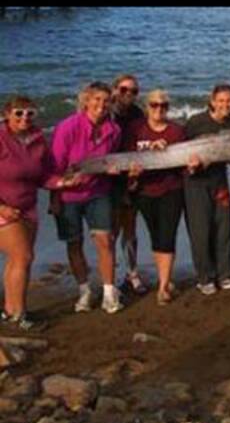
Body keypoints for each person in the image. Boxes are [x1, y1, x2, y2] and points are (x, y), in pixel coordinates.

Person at [0, 97, 80, 330]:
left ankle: (10, 310)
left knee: (17, 260)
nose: (24, 117)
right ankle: (19, 315)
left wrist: (64, 183)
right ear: (7, 115)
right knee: (23, 257)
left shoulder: (37, 140)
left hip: (28, 208)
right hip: (4, 208)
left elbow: (44, 176)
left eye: (29, 113)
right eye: (18, 113)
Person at [51, 81, 123, 314]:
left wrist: (114, 170)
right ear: (86, 101)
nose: (101, 105)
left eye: (106, 101)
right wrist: (55, 197)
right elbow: (56, 166)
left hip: (98, 192)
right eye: (96, 99)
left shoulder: (114, 130)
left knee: (105, 240)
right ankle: (85, 290)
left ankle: (110, 293)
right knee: (74, 243)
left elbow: (111, 161)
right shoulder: (67, 127)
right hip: (68, 194)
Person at [124, 90, 188, 305]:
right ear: (146, 107)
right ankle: (165, 277)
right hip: (144, 191)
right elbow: (127, 157)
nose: (159, 109)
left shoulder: (177, 131)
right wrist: (131, 173)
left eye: (163, 105)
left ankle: (163, 287)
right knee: (155, 235)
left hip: (171, 189)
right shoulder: (135, 129)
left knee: (167, 235)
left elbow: (183, 164)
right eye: (154, 105)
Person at [183, 84, 230, 295]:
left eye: (229, 101)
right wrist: (190, 165)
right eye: (221, 100)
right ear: (212, 101)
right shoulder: (196, 122)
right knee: (201, 230)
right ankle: (204, 277)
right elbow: (179, 150)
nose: (226, 105)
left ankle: (224, 275)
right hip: (195, 182)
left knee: (224, 227)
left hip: (219, 180)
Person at [109, 74, 147, 296]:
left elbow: (141, 143)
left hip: (130, 174)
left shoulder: (137, 114)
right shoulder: (105, 112)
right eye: (123, 90)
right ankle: (110, 278)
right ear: (115, 90)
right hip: (108, 178)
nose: (128, 95)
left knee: (130, 227)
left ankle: (132, 273)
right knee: (111, 230)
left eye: (133, 91)